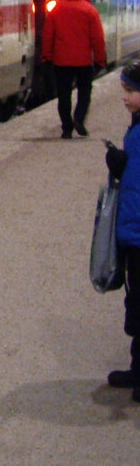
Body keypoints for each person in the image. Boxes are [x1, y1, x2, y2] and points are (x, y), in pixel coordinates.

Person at [105, 59, 140, 400]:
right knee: (136, 304)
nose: (124, 97)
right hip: (134, 230)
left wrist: (121, 166)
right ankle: (137, 370)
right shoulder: (137, 126)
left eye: (131, 90)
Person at [41, 0, 106, 137]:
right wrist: (100, 61)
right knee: (84, 93)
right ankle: (79, 117)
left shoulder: (57, 9)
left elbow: (47, 36)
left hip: (62, 62)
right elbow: (98, 39)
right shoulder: (90, 10)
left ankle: (67, 128)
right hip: (84, 62)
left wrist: (46, 57)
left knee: (64, 95)